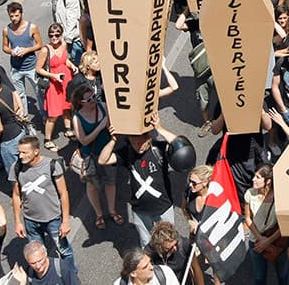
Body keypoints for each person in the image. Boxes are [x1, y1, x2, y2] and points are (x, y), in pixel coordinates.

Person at [98, 114, 178, 247]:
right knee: (146, 243)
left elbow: (180, 145)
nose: (137, 146)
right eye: (134, 143)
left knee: (169, 242)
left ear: (149, 138)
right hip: (140, 210)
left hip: (163, 207)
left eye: (140, 142)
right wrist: (113, 140)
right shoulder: (126, 152)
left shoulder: (159, 149)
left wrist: (160, 129)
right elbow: (102, 160)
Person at [10, 136, 75, 271]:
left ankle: (71, 275)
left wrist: (66, 221)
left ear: (36, 151)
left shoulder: (52, 165)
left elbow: (64, 193)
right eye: (19, 152)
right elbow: (16, 195)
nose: (20, 156)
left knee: (64, 251)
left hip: (53, 219)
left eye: (24, 152)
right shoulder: (16, 168)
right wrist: (17, 221)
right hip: (30, 221)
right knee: (37, 257)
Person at [70, 83, 122, 231]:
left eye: (93, 96)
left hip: (106, 152)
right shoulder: (77, 118)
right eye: (89, 99)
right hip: (90, 155)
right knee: (92, 185)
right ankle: (99, 214)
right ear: (80, 102)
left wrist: (110, 128)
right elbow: (84, 140)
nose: (93, 100)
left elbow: (112, 126)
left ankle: (112, 210)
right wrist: (100, 127)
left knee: (110, 181)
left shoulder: (103, 106)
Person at [245, 164, 289, 285]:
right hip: (256, 241)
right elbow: (248, 219)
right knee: (259, 278)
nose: (253, 179)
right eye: (254, 175)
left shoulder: (279, 197)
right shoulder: (250, 194)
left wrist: (267, 241)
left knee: (282, 275)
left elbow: (283, 224)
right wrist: (261, 239)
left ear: (268, 181)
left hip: (276, 241)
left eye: (258, 177)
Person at [35, 23, 76, 150]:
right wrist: (53, 76)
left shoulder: (63, 45)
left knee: (67, 107)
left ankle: (68, 130)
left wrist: (72, 65)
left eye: (57, 35)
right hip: (54, 84)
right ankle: (47, 140)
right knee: (53, 114)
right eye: (51, 35)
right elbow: (38, 69)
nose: (54, 38)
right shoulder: (45, 50)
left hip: (66, 81)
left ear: (61, 35)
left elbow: (65, 60)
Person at [3, 1, 44, 114]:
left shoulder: (32, 27)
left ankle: (43, 115)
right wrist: (12, 51)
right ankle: (24, 117)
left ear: (21, 13)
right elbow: (5, 47)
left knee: (39, 92)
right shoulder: (7, 30)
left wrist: (27, 50)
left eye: (16, 15)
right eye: (11, 16)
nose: (14, 19)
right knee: (20, 95)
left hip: (31, 67)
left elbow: (40, 45)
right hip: (16, 68)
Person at [0, 70, 28, 180]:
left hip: (8, 139)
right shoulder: (6, 89)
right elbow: (16, 107)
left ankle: (18, 190)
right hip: (19, 129)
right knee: (24, 161)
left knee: (13, 171)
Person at [148, 221, 203, 285]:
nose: (175, 248)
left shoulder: (184, 245)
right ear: (159, 247)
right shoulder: (149, 252)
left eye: (175, 244)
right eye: (169, 248)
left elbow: (196, 268)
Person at [49, 0, 83, 64]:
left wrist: (67, 40)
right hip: (64, 37)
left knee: (76, 65)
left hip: (72, 40)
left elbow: (72, 19)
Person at [12, 240, 80, 284]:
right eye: (33, 263)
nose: (38, 266)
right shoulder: (29, 274)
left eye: (40, 260)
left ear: (46, 254)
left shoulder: (62, 268)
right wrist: (22, 282)